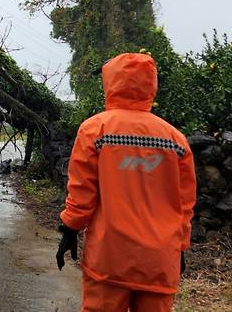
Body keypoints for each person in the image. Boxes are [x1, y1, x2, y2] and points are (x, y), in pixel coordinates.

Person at [56, 52, 196, 311]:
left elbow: (82, 192)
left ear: (111, 83)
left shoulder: (95, 130)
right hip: (160, 260)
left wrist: (69, 229)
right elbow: (184, 204)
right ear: (150, 85)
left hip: (109, 258)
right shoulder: (176, 140)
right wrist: (180, 248)